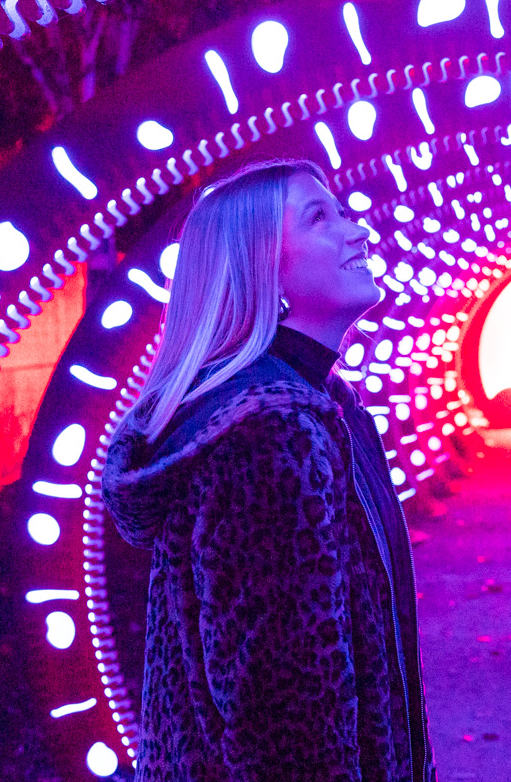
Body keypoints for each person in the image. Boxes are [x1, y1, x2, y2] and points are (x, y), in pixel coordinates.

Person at [101, 158, 436, 782]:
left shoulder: (316, 406)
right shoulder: (269, 434)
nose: (358, 231)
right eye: (320, 217)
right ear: (264, 272)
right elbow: (281, 707)